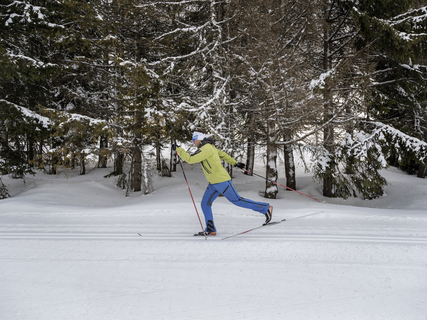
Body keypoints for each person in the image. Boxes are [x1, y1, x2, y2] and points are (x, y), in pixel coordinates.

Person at [172, 131, 273, 236]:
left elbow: (190, 159)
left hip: (221, 181)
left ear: (199, 139)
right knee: (205, 204)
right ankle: (211, 229)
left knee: (237, 200)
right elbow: (222, 154)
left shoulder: (206, 149)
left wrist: (178, 149)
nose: (193, 142)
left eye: (194, 140)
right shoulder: (210, 148)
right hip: (213, 183)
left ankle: (266, 208)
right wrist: (235, 163)